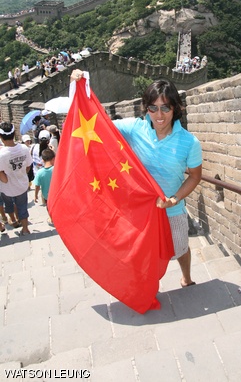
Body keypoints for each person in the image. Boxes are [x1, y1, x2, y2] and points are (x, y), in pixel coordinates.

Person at [71, 71, 202, 288]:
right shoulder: (134, 128)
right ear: (146, 108)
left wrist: (174, 198)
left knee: (180, 248)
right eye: (153, 108)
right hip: (139, 211)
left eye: (165, 108)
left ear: (175, 108)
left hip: (171, 210)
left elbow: (195, 177)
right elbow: (97, 122)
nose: (159, 115)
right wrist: (79, 88)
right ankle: (145, 288)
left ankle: (186, 277)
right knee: (144, 255)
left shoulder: (189, 142)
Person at [0, 122, 33, 235]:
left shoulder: (1, 154)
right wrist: (21, 173)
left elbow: (2, 177)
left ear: (1, 137)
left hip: (7, 189)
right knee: (22, 206)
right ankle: (25, 229)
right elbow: (28, 166)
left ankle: (13, 220)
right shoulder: (24, 148)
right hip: (22, 185)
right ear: (14, 134)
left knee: (8, 205)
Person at [34, 148, 55, 226]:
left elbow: (37, 186)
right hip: (57, 194)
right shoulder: (56, 169)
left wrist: (35, 195)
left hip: (46, 196)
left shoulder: (39, 173)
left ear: (42, 160)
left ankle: (51, 219)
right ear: (54, 158)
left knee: (49, 208)